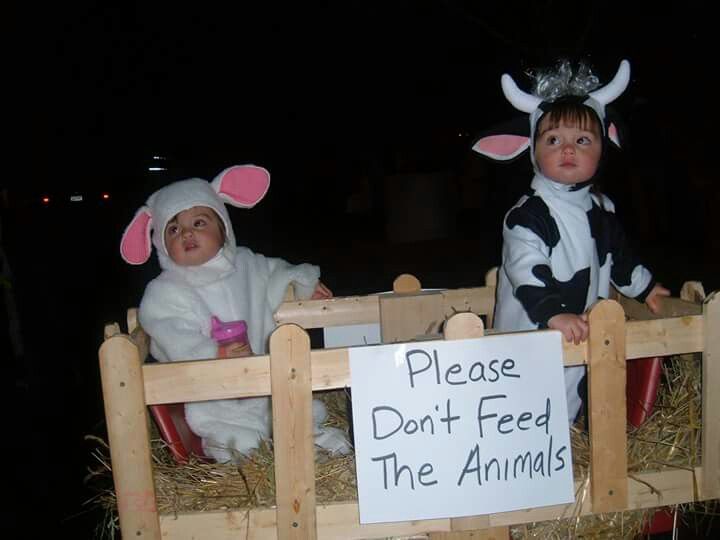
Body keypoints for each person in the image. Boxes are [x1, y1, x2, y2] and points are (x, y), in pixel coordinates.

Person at [472, 60, 669, 423]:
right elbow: (524, 266)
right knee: (533, 404)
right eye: (553, 140)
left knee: (578, 393)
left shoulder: (602, 209)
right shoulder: (529, 214)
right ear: (530, 150)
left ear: (604, 145)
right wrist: (552, 311)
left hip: (584, 329)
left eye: (582, 140)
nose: (567, 150)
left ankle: (571, 454)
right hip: (532, 334)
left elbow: (620, 259)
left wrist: (645, 288)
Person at [120, 164, 351, 462]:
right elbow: (169, 335)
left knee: (304, 422)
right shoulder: (165, 291)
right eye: (174, 229)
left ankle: (329, 456)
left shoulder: (246, 265)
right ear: (162, 246)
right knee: (238, 448)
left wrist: (303, 285)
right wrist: (211, 353)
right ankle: (251, 467)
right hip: (217, 402)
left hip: (273, 387)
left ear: (223, 228)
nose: (187, 233)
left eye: (199, 222)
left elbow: (276, 274)